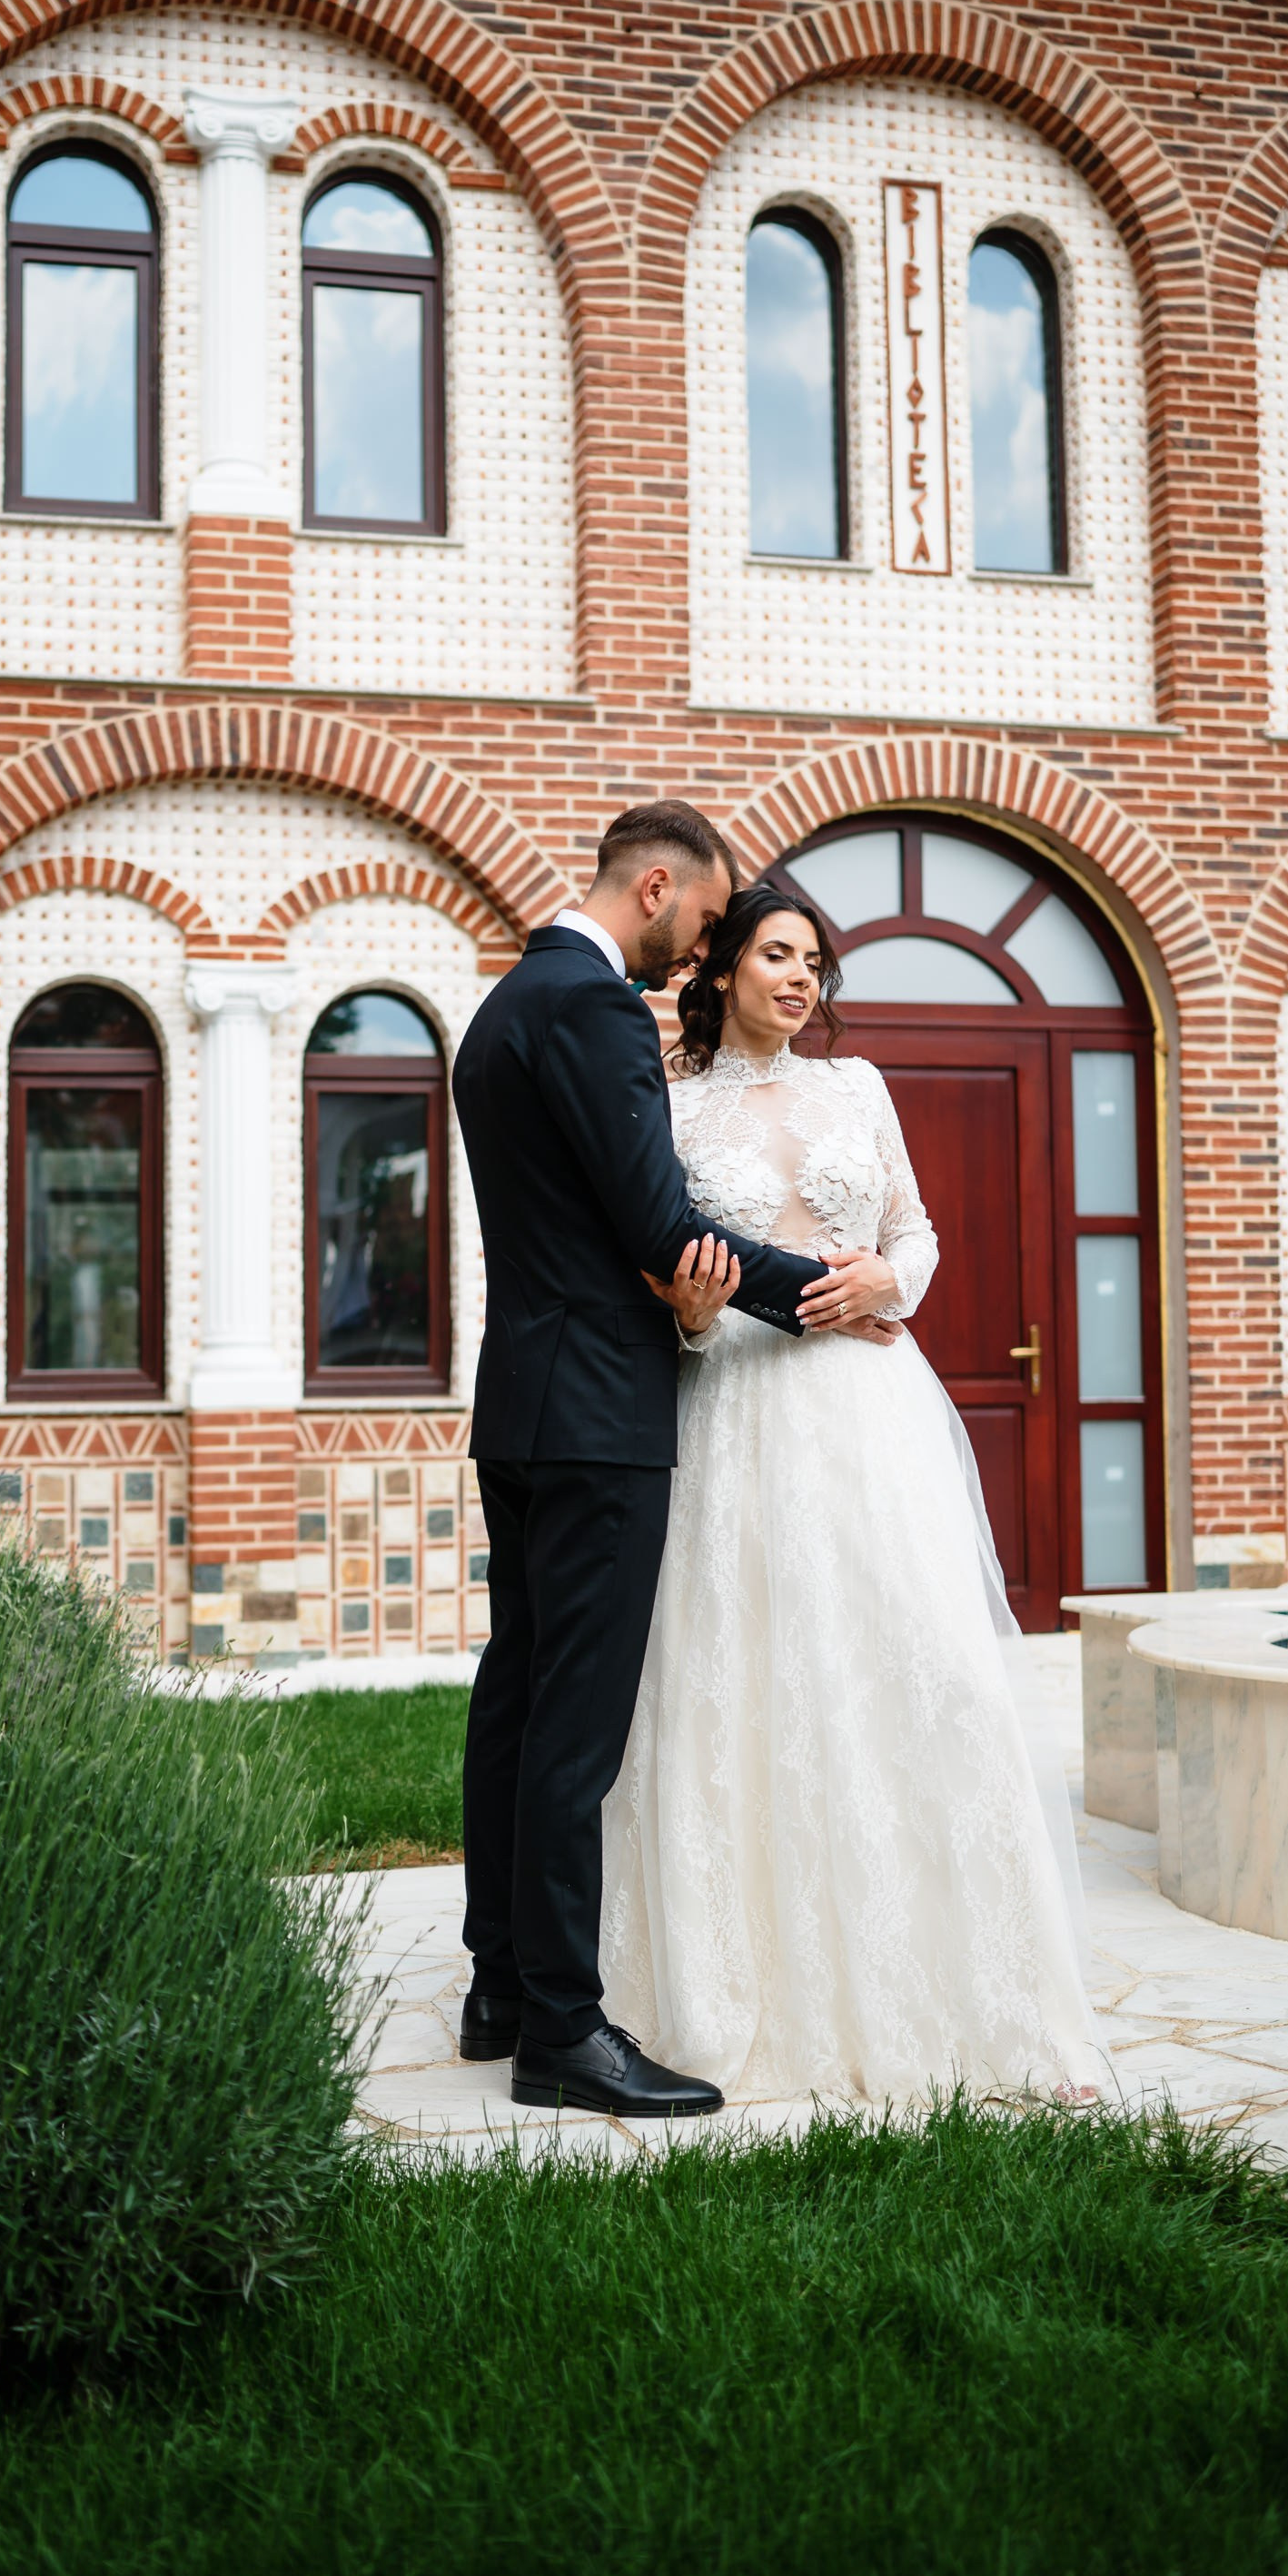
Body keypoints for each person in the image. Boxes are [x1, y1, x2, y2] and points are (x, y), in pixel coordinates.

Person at [599, 882, 1102, 2105]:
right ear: (719, 966)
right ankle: (741, 1989)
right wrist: (698, 1320)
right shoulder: (662, 1106)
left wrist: (889, 1278)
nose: (800, 978)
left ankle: (977, 1995)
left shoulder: (858, 1088)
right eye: (778, 955)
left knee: (915, 1667)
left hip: (868, 1416)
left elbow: (918, 1232)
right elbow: (663, 1274)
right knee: (745, 1683)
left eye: (815, 960)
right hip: (735, 1415)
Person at [450, 802, 838, 2119]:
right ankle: (565, 2031)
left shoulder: (504, 1007)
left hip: (521, 1403)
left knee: (514, 1695)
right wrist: (827, 1291)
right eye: (703, 917)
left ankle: (499, 1984)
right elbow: (661, 1223)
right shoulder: (598, 1008)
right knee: (574, 1723)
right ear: (657, 885)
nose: (700, 946)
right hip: (604, 1413)